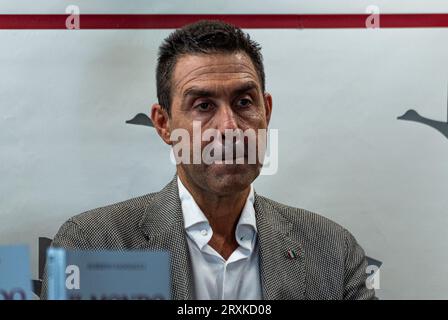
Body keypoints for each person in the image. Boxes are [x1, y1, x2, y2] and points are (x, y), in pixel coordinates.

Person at [42, 20, 376, 300]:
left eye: (244, 101)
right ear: (163, 124)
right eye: (203, 105)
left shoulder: (334, 251)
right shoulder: (93, 246)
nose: (230, 127)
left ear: (266, 111)